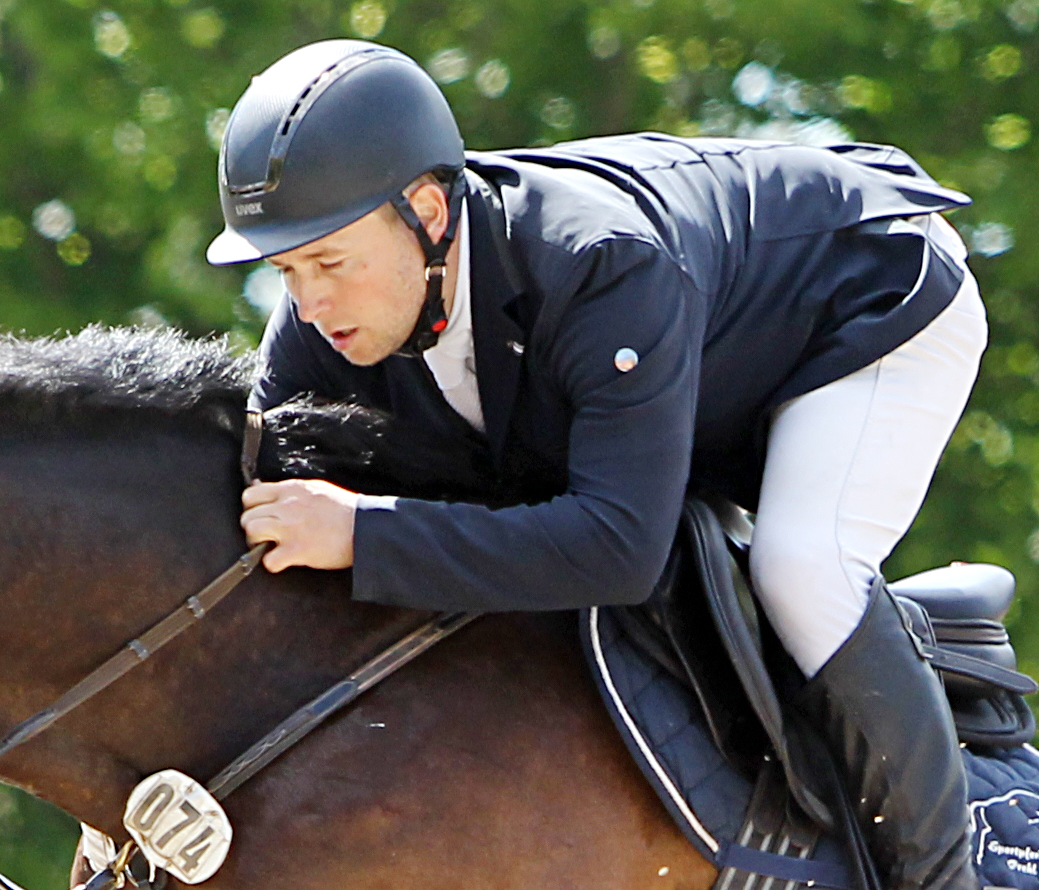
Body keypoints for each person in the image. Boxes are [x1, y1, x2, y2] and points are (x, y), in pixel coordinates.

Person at [207, 39, 987, 890]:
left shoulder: (598, 264)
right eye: (286, 270)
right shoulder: (326, 322)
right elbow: (258, 503)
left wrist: (364, 534)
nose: (309, 304)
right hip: (713, 342)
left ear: (427, 213)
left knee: (801, 566)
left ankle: (941, 876)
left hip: (863, 305)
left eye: (328, 263)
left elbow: (617, 549)